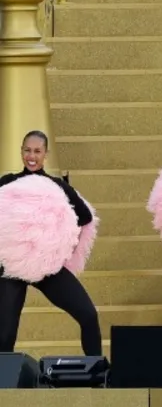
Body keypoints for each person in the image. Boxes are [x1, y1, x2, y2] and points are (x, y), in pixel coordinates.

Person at [0, 131, 102, 356]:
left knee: (88, 314)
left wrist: (57, 238)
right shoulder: (7, 183)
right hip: (12, 267)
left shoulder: (57, 186)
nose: (32, 156)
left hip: (46, 265)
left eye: (37, 151)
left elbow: (84, 217)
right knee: (4, 334)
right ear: (21, 152)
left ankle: (99, 377)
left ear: (46, 153)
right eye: (27, 150)